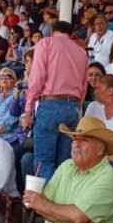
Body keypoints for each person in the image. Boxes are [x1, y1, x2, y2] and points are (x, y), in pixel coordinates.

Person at [22, 20, 88, 182]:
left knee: (44, 161)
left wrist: (29, 109)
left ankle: (47, 203)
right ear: (71, 34)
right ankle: (59, 201)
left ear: (52, 32)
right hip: (72, 107)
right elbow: (84, 85)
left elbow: (37, 78)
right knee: (64, 162)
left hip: (50, 104)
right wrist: (77, 107)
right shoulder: (81, 52)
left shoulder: (46, 44)